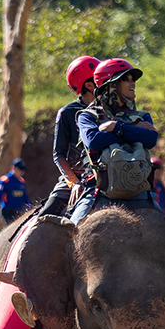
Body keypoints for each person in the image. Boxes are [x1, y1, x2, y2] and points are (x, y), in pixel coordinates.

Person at [69, 58, 159, 224]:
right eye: (126, 79)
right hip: (98, 190)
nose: (132, 84)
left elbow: (151, 139)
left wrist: (117, 127)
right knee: (69, 232)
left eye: (133, 80)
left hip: (139, 189)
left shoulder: (143, 116)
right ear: (110, 85)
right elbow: (94, 141)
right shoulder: (87, 116)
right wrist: (135, 130)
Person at [39, 55, 100, 217]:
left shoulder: (110, 109)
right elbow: (58, 154)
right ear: (89, 85)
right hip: (77, 178)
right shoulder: (67, 113)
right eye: (99, 80)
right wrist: (74, 183)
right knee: (45, 219)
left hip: (107, 176)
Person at [0, 158, 33, 225]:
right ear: (13, 168)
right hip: (7, 210)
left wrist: (31, 208)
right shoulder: (5, 180)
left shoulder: (21, 181)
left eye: (23, 170)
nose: (21, 172)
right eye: (20, 169)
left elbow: (25, 197)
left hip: (18, 210)